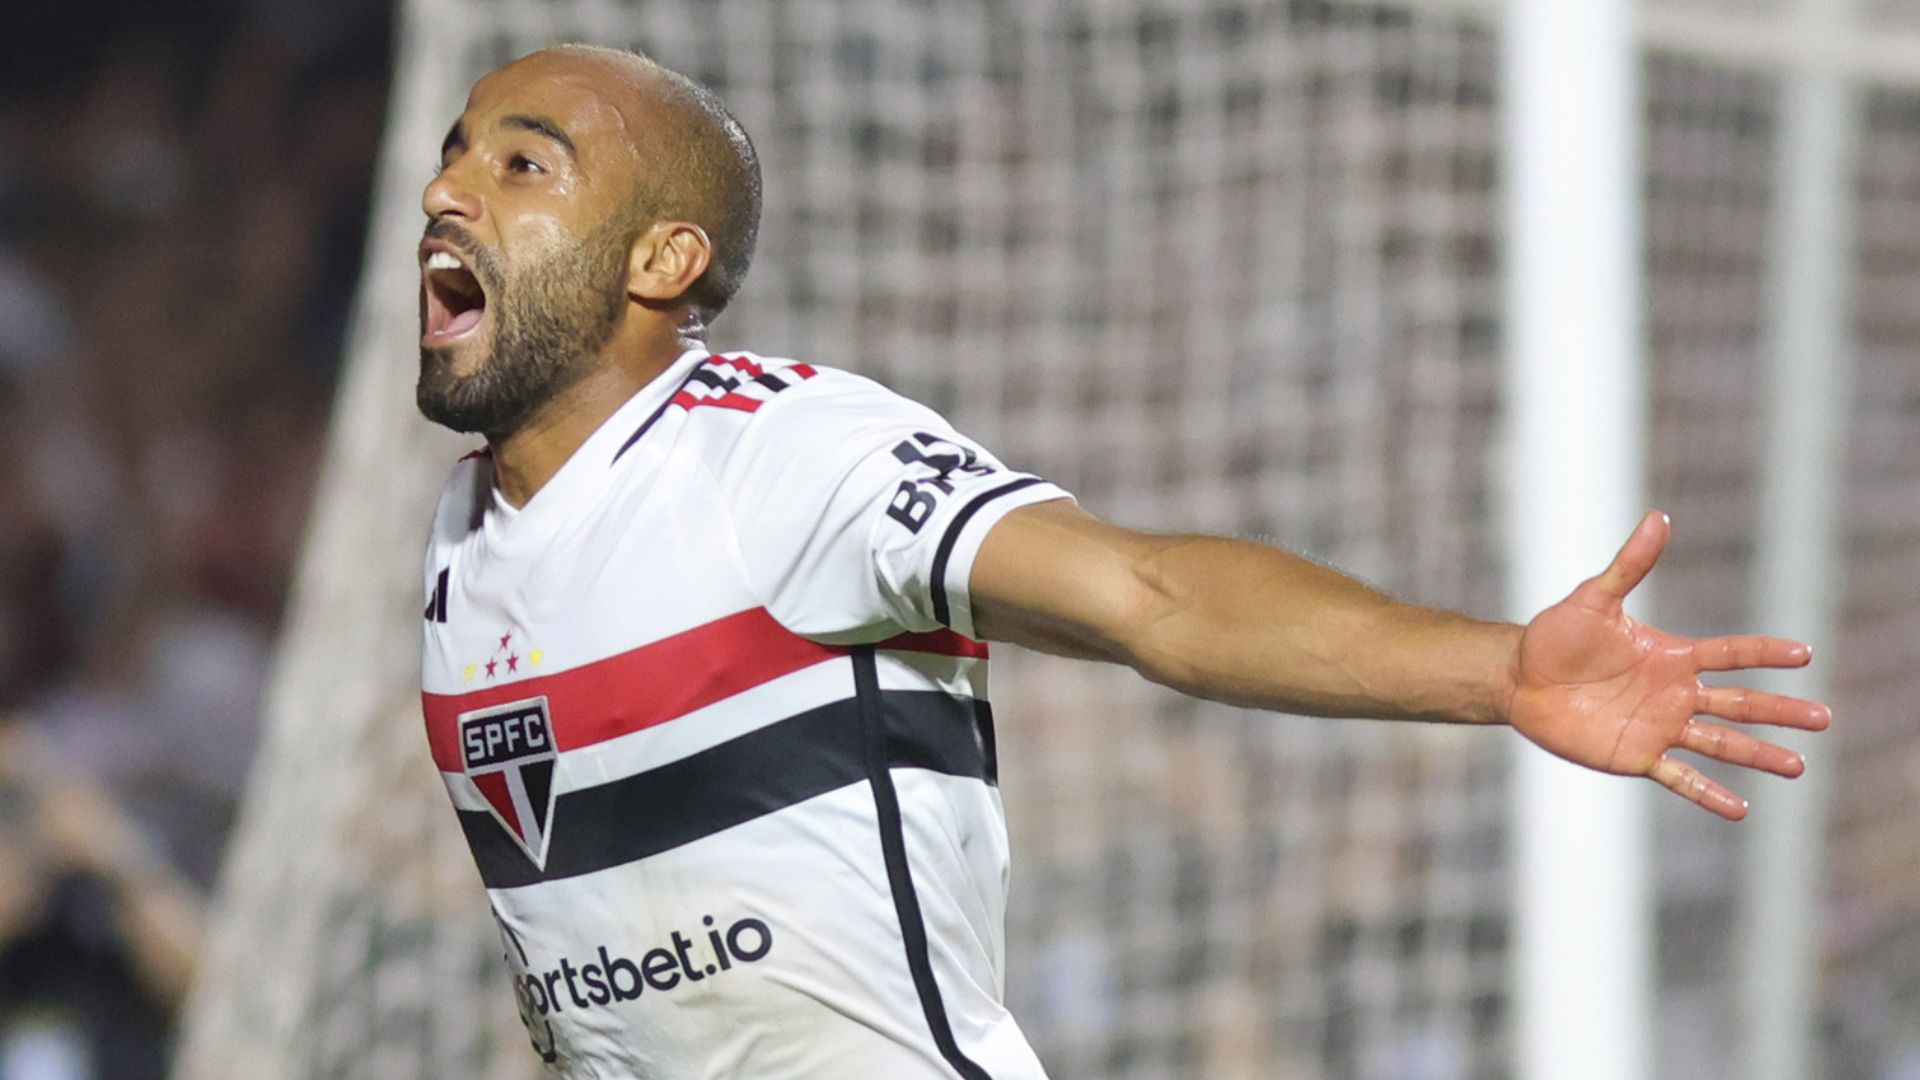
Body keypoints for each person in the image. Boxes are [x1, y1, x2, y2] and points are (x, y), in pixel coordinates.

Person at [415, 45, 1831, 1079]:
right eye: (457, 149)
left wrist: (1498, 669)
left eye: (522, 162)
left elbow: (1146, 596)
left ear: (664, 260)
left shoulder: (775, 454)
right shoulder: (461, 547)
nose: (447, 188)